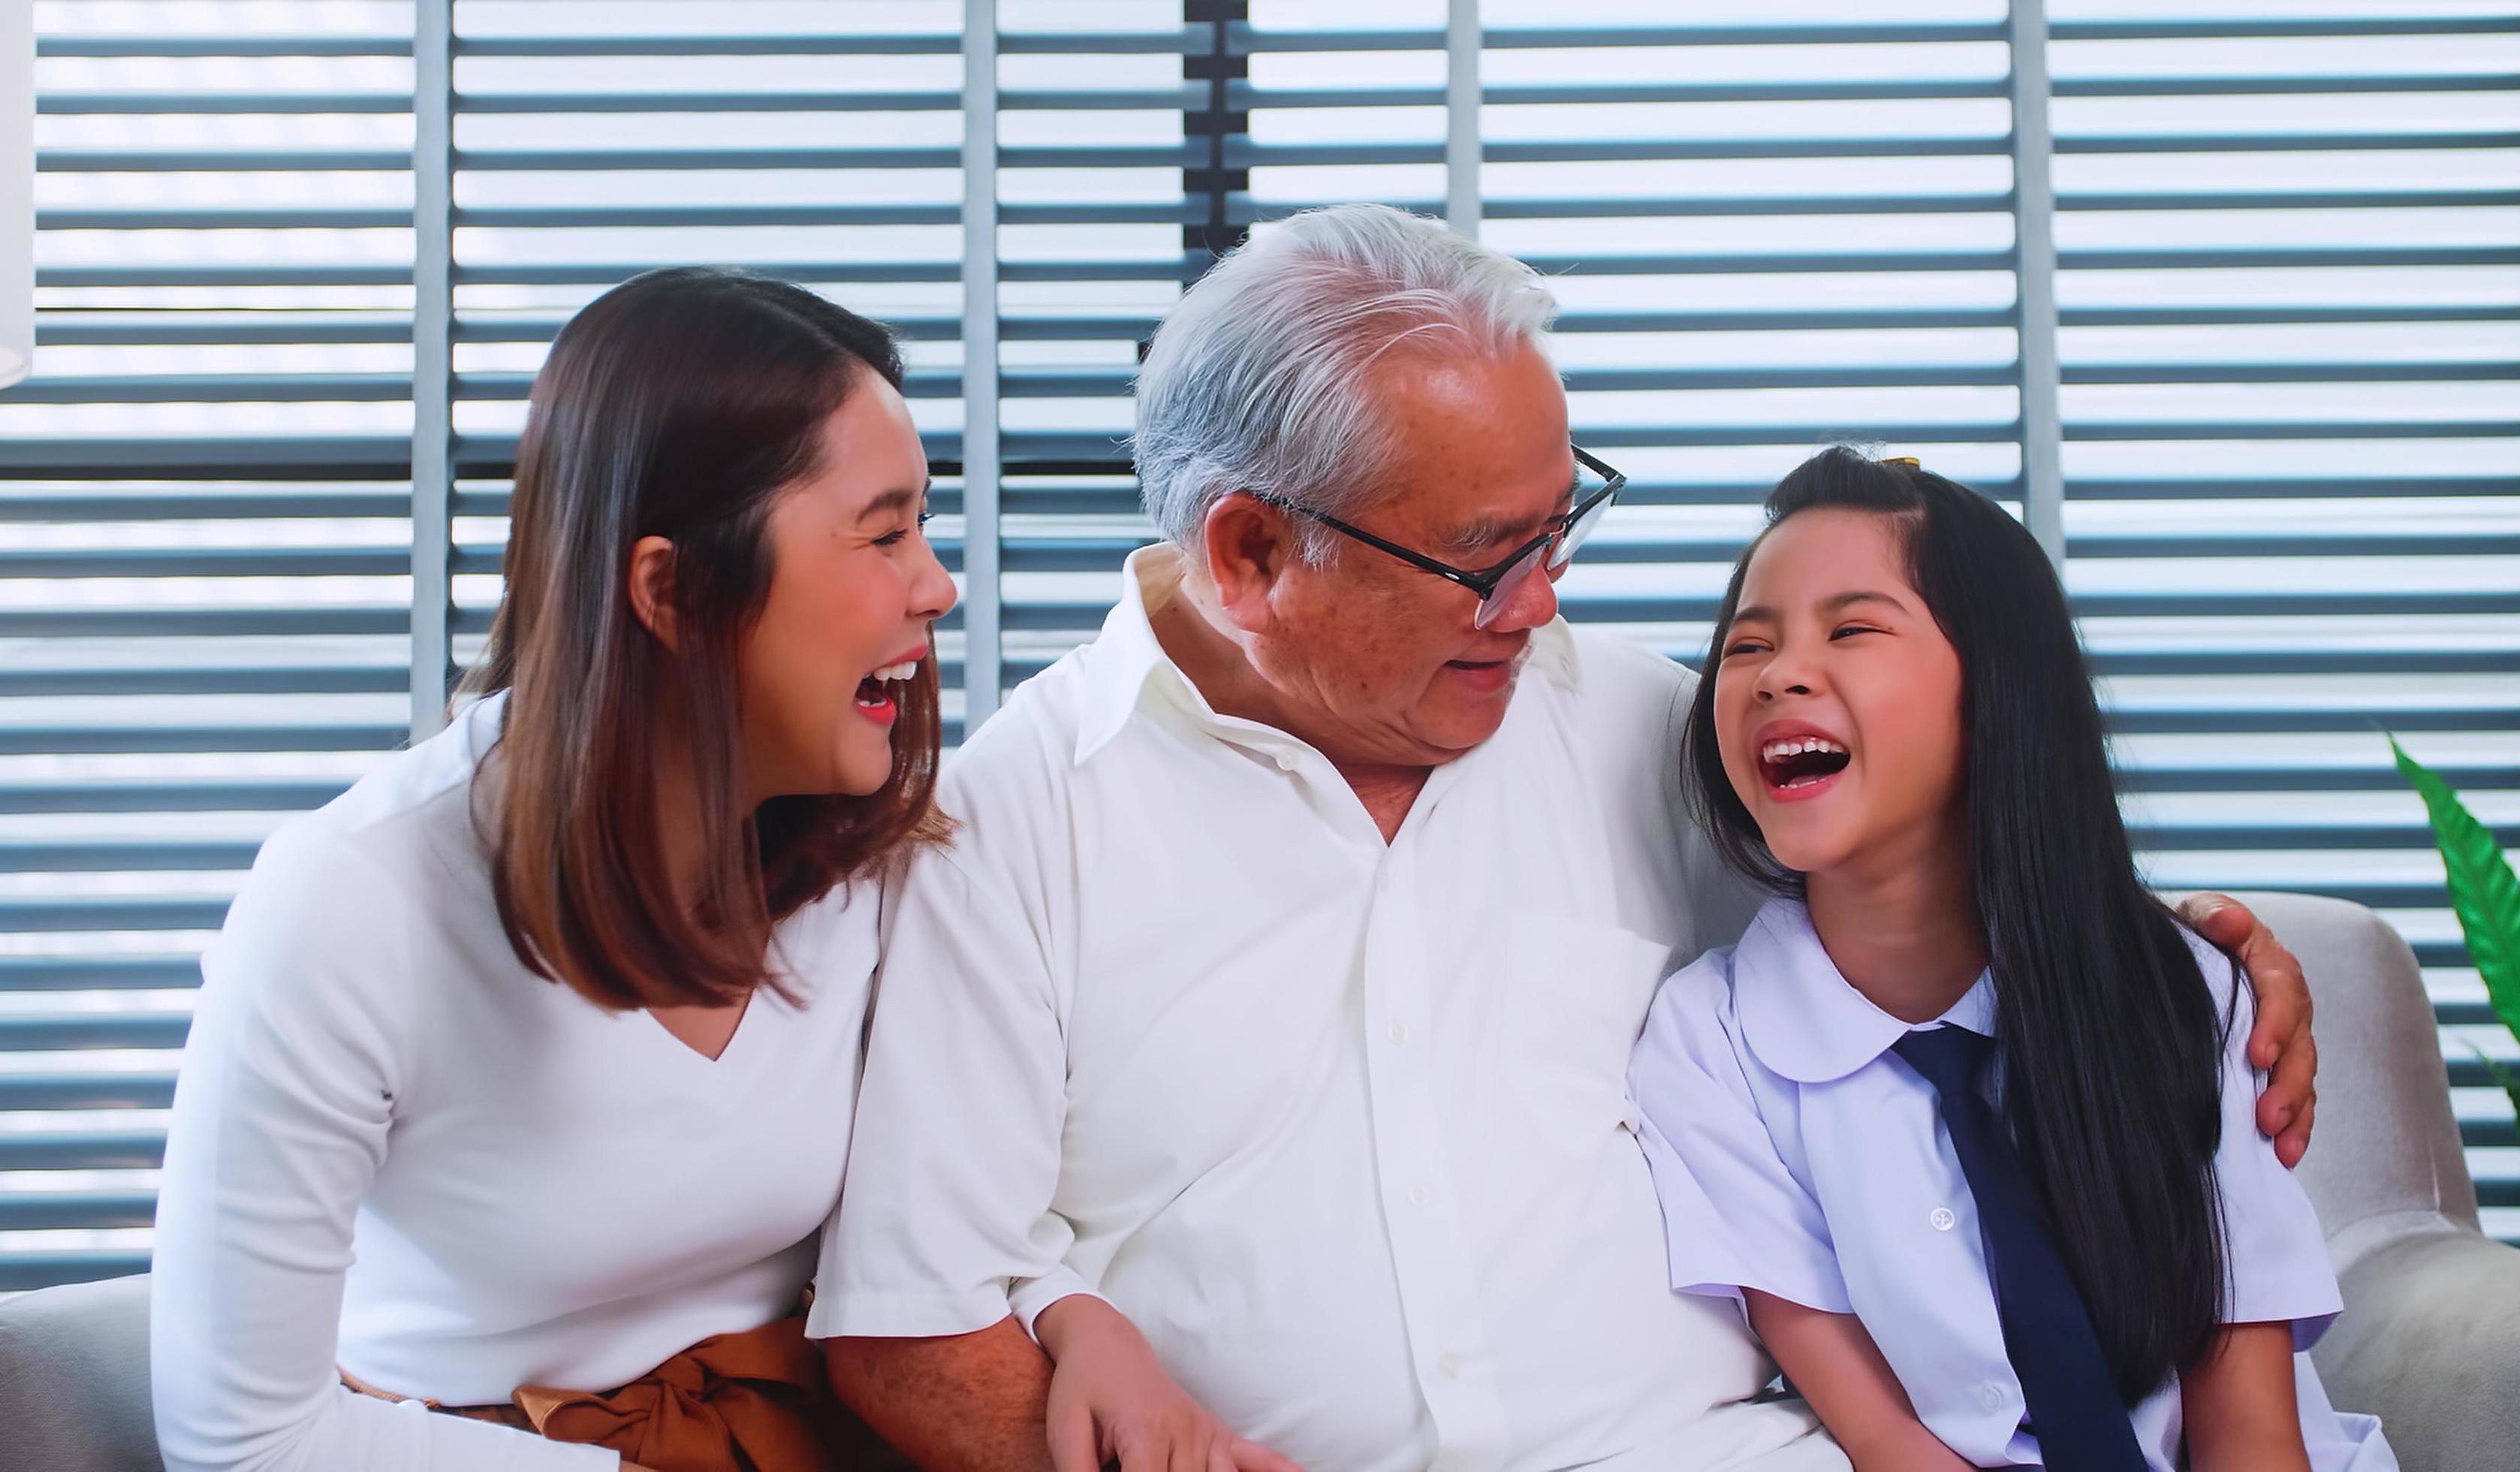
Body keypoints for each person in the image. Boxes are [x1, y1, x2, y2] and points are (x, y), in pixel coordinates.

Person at [811, 204, 2322, 1470]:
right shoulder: (1010, 818)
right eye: (1487, 557)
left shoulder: (1650, 729)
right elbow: (909, 1327)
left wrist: (2187, 956)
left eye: (1560, 522)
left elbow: (1938, 879)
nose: (1541, 601)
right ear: (1251, 553)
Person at [148, 268, 955, 1472]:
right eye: (884, 534)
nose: (937, 585)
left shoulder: (877, 856)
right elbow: (240, 1441)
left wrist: (1072, 1317)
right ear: (671, 591)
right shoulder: (352, 902)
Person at [1626, 448, 2395, 1470]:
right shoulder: (1708, 1044)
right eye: (1746, 645)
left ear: (1997, 688)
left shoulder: (2180, 989)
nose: (1780, 674)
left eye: (1851, 629)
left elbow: (2249, 1426)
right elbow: (1886, 1438)